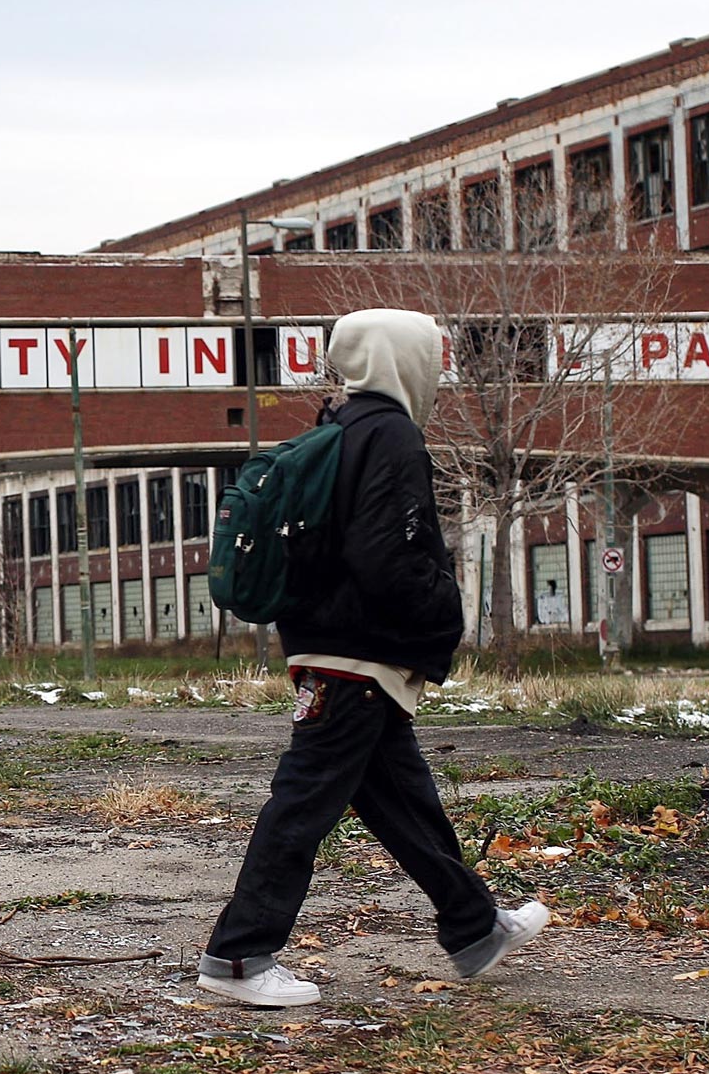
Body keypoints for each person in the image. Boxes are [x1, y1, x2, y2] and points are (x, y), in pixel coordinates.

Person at [197, 308, 549, 1007]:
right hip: (355, 657)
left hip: (337, 651)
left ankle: (475, 926)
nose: (437, 374)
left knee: (404, 802)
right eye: (431, 358)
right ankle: (237, 957)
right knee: (302, 804)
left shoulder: (339, 428)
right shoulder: (389, 435)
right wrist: (446, 611)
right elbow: (389, 558)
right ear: (403, 361)